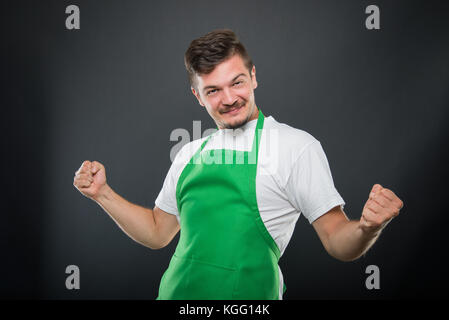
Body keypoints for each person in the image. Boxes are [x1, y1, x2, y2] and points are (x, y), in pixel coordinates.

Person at [73, 29, 404, 300]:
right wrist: (102, 193)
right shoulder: (189, 153)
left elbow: (336, 241)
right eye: (213, 90)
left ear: (254, 77)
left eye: (237, 82)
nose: (229, 98)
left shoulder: (296, 147)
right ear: (197, 96)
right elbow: (159, 232)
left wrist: (366, 227)